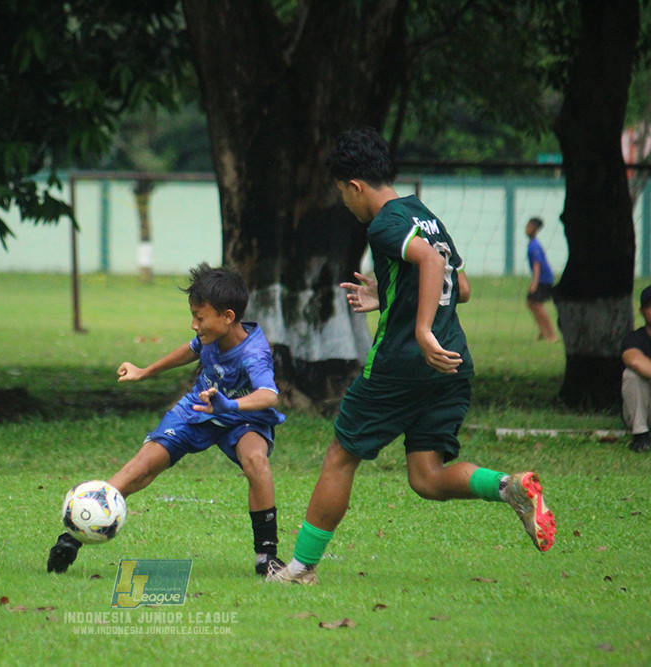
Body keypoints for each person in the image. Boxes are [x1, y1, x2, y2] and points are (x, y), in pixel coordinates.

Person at [266, 127, 556, 585]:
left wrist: (419, 329)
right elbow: (459, 288)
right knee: (426, 476)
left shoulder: (383, 224)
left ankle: (300, 569)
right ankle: (510, 486)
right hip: (452, 361)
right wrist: (389, 296)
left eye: (343, 193)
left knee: (341, 455)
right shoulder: (425, 215)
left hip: (402, 364)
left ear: (356, 186)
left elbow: (433, 266)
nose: (345, 203)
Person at [47, 263, 287, 576]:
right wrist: (145, 371)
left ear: (228, 317)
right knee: (142, 466)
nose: (193, 324)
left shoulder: (253, 353)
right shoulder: (211, 336)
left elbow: (269, 395)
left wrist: (230, 405)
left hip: (243, 416)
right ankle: (73, 535)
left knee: (256, 460)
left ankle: (266, 557)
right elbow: (191, 350)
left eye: (199, 317)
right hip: (198, 409)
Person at [620, 285, 651, 453]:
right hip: (646, 409)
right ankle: (641, 435)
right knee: (632, 375)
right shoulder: (634, 338)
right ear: (642, 311)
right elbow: (634, 360)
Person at [525, 217, 558, 342]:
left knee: (537, 305)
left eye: (529, 227)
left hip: (544, 279)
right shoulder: (533, 243)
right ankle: (543, 331)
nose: (526, 229)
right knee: (531, 303)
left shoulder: (535, 245)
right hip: (542, 279)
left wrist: (535, 282)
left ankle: (551, 333)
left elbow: (537, 264)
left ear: (535, 229)